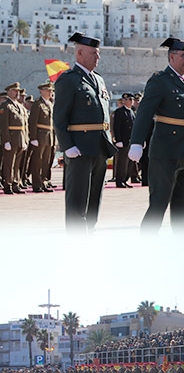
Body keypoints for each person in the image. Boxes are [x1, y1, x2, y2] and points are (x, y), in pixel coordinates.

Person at [128, 38, 184, 232]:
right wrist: (136, 142)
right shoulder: (160, 80)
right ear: (171, 56)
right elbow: (144, 113)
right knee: (160, 201)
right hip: (166, 151)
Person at [52, 32, 116, 231]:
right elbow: (59, 118)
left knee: (95, 196)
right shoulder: (68, 80)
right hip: (79, 147)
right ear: (79, 53)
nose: (98, 58)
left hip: (99, 146)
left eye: (98, 54)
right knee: (78, 198)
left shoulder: (99, 80)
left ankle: (91, 231)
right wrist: (67, 146)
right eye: (93, 53)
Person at [0, 82, 28, 194]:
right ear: (9, 92)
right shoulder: (5, 106)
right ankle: (8, 185)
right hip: (11, 138)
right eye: (15, 91)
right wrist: (6, 140)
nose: (17, 93)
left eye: (18, 91)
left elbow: (25, 125)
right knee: (9, 164)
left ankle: (16, 184)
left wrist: (26, 139)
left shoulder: (20, 106)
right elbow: (3, 125)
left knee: (17, 164)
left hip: (20, 138)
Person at [28, 82, 55, 193]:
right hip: (39, 136)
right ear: (41, 91)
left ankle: (44, 182)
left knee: (46, 162)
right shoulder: (37, 104)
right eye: (48, 90)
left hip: (49, 136)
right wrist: (33, 137)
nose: (50, 92)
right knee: (37, 162)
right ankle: (37, 184)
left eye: (51, 91)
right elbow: (32, 122)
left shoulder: (50, 104)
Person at [113, 93, 135, 187]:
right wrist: (118, 140)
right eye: (129, 99)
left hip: (130, 141)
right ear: (124, 100)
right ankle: (119, 181)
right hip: (123, 141)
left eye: (132, 99)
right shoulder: (119, 112)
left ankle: (125, 180)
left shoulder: (132, 112)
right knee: (122, 162)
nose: (131, 101)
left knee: (129, 162)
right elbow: (116, 126)